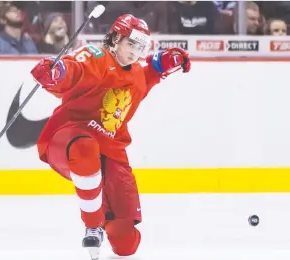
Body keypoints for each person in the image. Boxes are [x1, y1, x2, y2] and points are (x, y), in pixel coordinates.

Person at [30, 14, 191, 259]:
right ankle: (93, 223)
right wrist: (57, 73)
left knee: (125, 244)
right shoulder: (97, 57)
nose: (135, 52)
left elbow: (150, 70)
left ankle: (104, 212)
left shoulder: (136, 72)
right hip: (69, 137)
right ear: (116, 37)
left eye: (141, 47)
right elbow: (74, 70)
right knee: (85, 147)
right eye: (131, 44)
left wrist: (167, 61)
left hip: (111, 151)